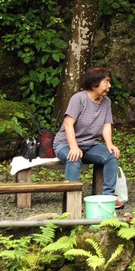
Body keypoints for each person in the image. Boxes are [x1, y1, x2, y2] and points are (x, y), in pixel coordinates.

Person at [54, 66, 123, 208]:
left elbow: (106, 125)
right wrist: (74, 147)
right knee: (74, 158)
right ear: (94, 84)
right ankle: (73, 201)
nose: (109, 85)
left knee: (112, 155)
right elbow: (68, 124)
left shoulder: (106, 102)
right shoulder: (79, 99)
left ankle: (108, 196)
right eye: (106, 82)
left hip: (90, 145)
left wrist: (110, 144)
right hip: (65, 144)